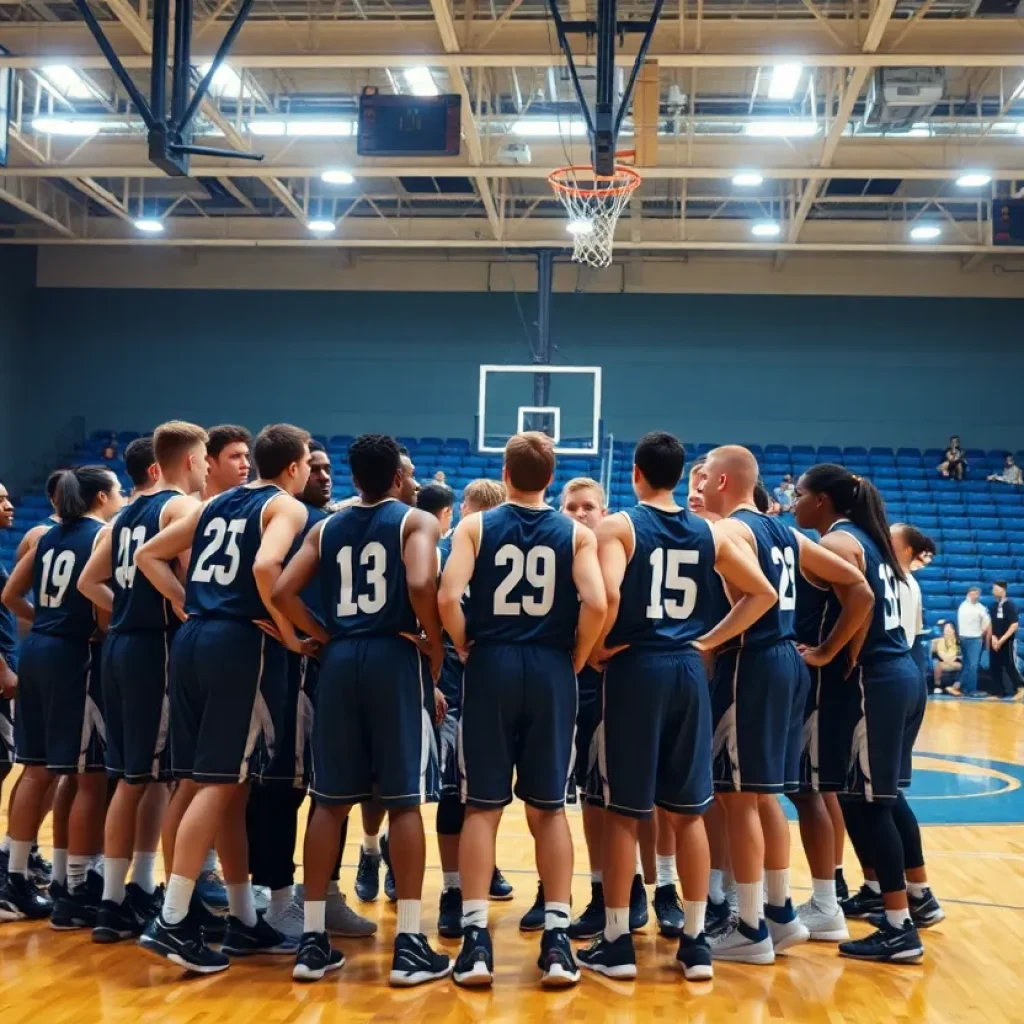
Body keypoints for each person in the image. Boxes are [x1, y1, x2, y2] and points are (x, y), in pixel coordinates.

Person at [578, 434, 782, 981]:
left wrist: (595, 649)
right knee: (689, 810)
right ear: (681, 476)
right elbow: (761, 593)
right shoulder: (710, 532)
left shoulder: (618, 526)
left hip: (636, 666)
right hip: (688, 670)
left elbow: (611, 595)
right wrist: (708, 641)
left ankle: (617, 943)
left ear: (637, 472)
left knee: (626, 810)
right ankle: (695, 944)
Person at [135, 424, 314, 974]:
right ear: (293, 467)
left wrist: (187, 601)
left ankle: (241, 916)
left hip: (193, 642)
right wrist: (288, 633)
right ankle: (171, 919)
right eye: (307, 462)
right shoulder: (285, 507)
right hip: (240, 643)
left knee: (216, 785)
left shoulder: (213, 505)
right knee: (217, 785)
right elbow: (266, 569)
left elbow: (148, 555)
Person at [272, 433, 450, 986]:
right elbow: (421, 579)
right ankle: (411, 944)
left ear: (352, 478)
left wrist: (322, 635)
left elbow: (281, 591)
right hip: (395, 654)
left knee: (329, 803)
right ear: (398, 478)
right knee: (402, 801)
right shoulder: (415, 521)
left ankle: (313, 943)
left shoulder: (325, 526)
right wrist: (435, 642)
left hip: (342, 658)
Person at [439, 432, 607, 989]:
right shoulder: (577, 533)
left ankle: (475, 941)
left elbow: (446, 595)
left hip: (491, 665)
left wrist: (464, 645)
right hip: (551, 667)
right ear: (551, 479)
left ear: (505, 474)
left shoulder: (474, 525)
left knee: (481, 808)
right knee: (550, 809)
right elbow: (598, 603)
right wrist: (577, 658)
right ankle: (558, 940)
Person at [792, 464, 930, 963]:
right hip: (896, 674)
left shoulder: (839, 545)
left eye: (800, 494)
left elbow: (862, 601)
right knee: (874, 800)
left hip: (877, 679)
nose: (793, 502)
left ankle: (898, 928)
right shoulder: (868, 541)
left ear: (823, 502)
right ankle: (904, 901)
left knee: (870, 805)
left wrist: (829, 651)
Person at [77, 429, 209, 943]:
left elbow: (90, 582)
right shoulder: (178, 509)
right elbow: (178, 569)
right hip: (154, 646)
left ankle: (126, 892)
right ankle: (121, 900)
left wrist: (125, 611)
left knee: (136, 775)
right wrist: (181, 602)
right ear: (192, 461)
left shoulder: (124, 514)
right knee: (145, 777)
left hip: (119, 646)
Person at [0, 467, 124, 924]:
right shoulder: (101, 536)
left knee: (35, 770)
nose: (122, 496)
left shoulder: (43, 535)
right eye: (117, 491)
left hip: (37, 652)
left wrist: (47, 619)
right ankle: (72, 888)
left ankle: (13, 878)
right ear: (100, 497)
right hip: (76, 656)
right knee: (90, 775)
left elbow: (12, 596)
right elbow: (100, 610)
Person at [420, 479, 514, 940]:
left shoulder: (468, 555)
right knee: (464, 794)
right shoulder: (445, 562)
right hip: (457, 692)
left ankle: (468, 880)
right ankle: (455, 888)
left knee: (476, 796)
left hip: (476, 687)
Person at [988, 581, 1024, 700]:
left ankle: (1021, 687)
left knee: (1010, 664)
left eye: (995, 589)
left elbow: (1014, 625)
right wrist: (993, 638)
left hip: (1007, 641)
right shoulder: (993, 605)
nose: (993, 591)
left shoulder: (1010, 605)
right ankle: (998, 692)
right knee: (995, 666)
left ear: (1002, 590)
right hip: (995, 641)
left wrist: (1002, 640)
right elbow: (992, 623)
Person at [955, 586, 990, 698]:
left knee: (972, 665)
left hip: (975, 639)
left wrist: (981, 634)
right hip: (964, 638)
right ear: (969, 594)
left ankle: (968, 689)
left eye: (977, 593)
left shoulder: (981, 608)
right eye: (973, 593)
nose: (975, 595)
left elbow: (987, 624)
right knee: (968, 665)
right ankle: (967, 688)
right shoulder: (963, 606)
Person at [203, 425, 251, 497]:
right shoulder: (189, 505)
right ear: (209, 462)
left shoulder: (254, 505)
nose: (246, 464)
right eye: (235, 457)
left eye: (246, 456)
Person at [931, 623, 962, 692]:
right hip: (943, 663)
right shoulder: (940, 641)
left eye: (949, 628)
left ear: (954, 630)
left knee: (964, 666)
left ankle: (956, 686)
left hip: (954, 662)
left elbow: (956, 655)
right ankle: (937, 686)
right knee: (937, 664)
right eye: (946, 628)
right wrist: (949, 660)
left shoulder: (958, 642)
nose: (947, 630)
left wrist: (951, 660)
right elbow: (941, 654)